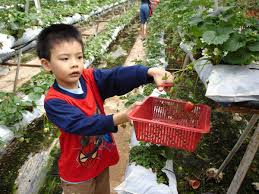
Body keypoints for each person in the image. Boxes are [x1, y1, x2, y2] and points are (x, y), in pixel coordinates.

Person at [37, 24, 173, 194]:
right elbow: (82, 124)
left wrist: (148, 73)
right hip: (77, 172)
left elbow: (114, 78)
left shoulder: (89, 78)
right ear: (46, 64)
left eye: (79, 57)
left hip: (99, 159)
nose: (75, 64)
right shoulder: (54, 101)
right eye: (65, 59)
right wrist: (119, 117)